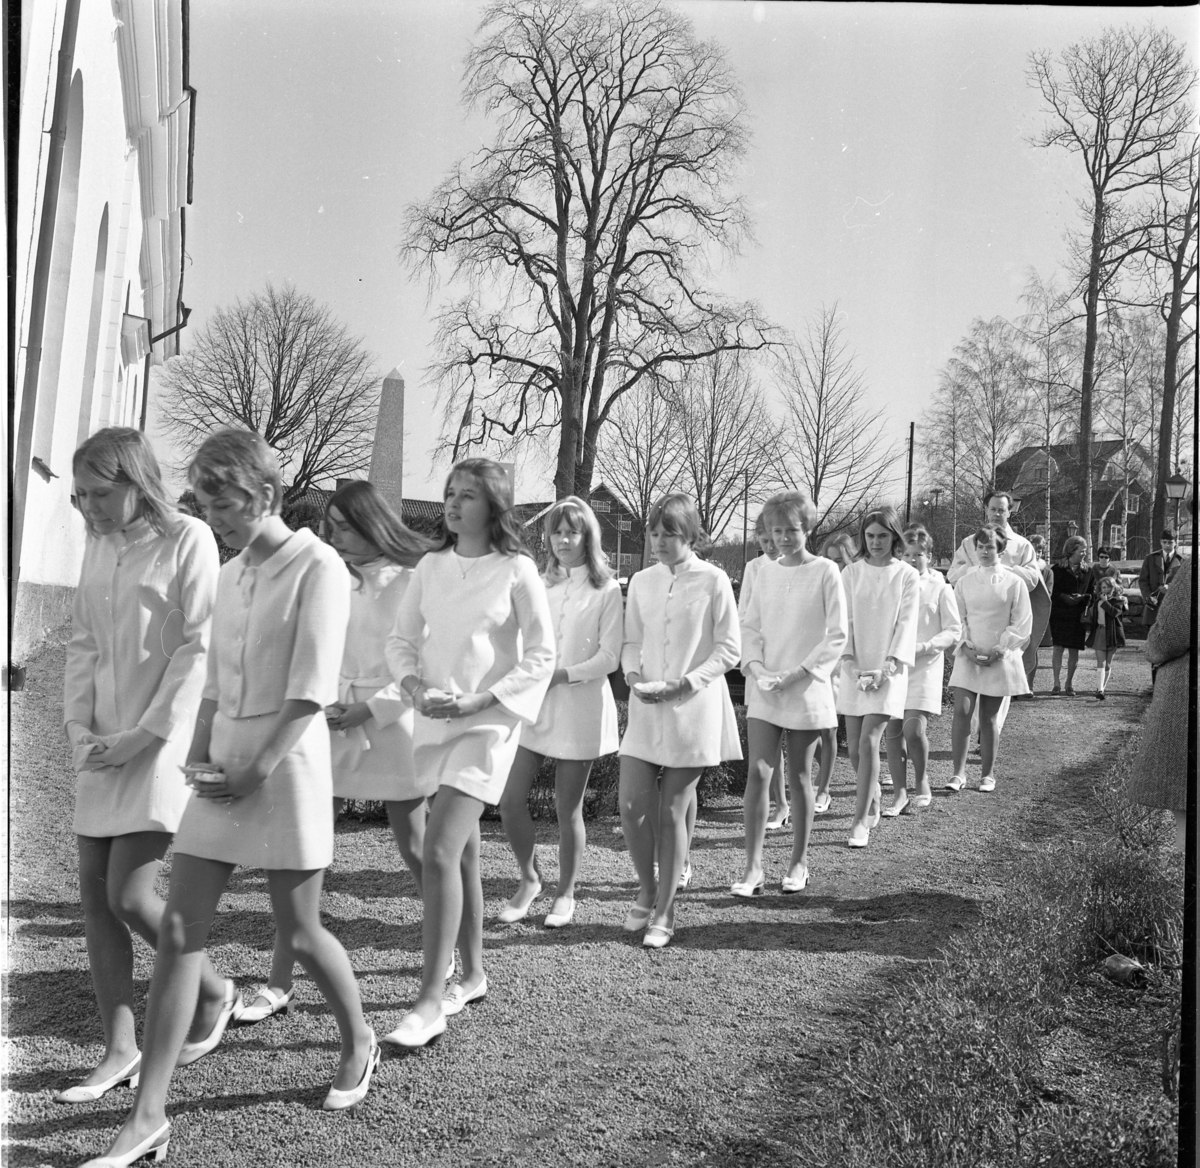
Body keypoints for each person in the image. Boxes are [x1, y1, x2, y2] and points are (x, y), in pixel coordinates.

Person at [83, 430, 377, 1168]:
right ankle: (148, 1116)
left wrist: (255, 769)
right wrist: (198, 753)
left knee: (300, 931)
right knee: (181, 930)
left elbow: (310, 689)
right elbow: (211, 681)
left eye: (230, 502)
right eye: (208, 503)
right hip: (222, 770)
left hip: (290, 764)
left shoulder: (320, 565)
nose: (218, 517)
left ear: (269, 494)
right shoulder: (234, 569)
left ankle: (359, 1038)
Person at [57, 428, 225, 1108]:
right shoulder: (98, 546)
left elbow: (199, 646)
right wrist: (77, 726)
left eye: (100, 494)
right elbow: (83, 643)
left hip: (161, 742)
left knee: (129, 893)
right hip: (101, 741)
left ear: (136, 482)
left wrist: (147, 733)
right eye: (79, 497)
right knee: (94, 895)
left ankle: (213, 989)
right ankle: (118, 1047)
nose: (90, 509)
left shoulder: (189, 539)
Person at [237, 480, 437, 1026]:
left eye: (344, 527)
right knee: (296, 852)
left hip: (389, 726)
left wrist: (371, 709)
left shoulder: (416, 580)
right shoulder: (329, 576)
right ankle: (278, 982)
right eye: (330, 527)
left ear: (373, 524)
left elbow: (422, 665)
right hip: (327, 722)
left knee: (418, 847)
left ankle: (441, 962)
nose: (333, 537)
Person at [381, 459, 554, 1048]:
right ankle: (474, 974)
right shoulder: (429, 567)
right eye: (450, 495)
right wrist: (411, 687)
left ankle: (430, 1000)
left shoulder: (518, 570)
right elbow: (401, 641)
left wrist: (482, 699)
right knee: (463, 859)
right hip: (433, 723)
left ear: (495, 508)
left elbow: (541, 656)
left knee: (439, 849)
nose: (453, 505)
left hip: (488, 726)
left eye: (469, 497)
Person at [618, 493, 741, 948]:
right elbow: (631, 642)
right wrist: (633, 675)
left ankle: (665, 911)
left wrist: (687, 683)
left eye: (669, 532)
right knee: (631, 806)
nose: (659, 540)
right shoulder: (641, 580)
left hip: (695, 709)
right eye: (654, 532)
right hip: (647, 708)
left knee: (672, 811)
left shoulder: (714, 580)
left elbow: (729, 649)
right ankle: (648, 889)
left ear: (691, 534)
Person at [498, 497, 622, 929]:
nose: (563, 539)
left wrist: (562, 675)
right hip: (536, 707)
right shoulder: (540, 584)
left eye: (572, 531)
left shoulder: (608, 589)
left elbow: (610, 657)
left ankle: (565, 892)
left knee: (566, 808)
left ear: (588, 536)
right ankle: (530, 879)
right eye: (556, 531)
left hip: (581, 708)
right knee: (510, 798)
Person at [737, 490, 846, 894]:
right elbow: (749, 625)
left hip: (806, 689)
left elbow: (837, 634)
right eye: (775, 530)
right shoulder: (762, 572)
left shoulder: (825, 571)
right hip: (765, 687)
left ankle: (798, 862)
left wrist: (799, 673)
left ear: (808, 529)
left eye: (792, 530)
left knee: (800, 775)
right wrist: (757, 668)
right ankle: (753, 868)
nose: (783, 538)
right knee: (759, 773)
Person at [835, 507, 920, 848]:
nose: (876, 542)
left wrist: (887, 668)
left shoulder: (906, 576)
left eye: (883, 536)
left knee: (870, 740)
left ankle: (858, 822)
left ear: (894, 537)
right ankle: (871, 801)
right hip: (855, 668)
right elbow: (846, 621)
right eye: (870, 536)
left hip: (890, 669)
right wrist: (852, 664)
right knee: (855, 750)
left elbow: (906, 623)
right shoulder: (851, 573)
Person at [946, 525, 1033, 794]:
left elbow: (1021, 622)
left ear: (1001, 550)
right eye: (980, 547)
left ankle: (987, 775)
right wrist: (966, 647)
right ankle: (958, 774)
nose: (984, 552)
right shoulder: (964, 582)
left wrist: (1000, 649)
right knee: (961, 711)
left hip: (999, 657)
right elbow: (957, 618)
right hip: (969, 655)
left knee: (989, 718)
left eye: (990, 547)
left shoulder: (1014, 582)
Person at [882, 526, 961, 815]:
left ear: (929, 555)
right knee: (892, 730)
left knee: (913, 729)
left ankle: (921, 778)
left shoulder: (940, 588)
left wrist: (926, 646)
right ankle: (900, 793)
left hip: (925, 665)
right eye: (907, 554)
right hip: (895, 665)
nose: (912, 559)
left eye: (919, 554)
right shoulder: (892, 583)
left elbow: (953, 629)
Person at [1127, 502, 1192, 851]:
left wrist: (1152, 650)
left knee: (1186, 807)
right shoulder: (1154, 559)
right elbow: (1144, 581)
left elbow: (1171, 634)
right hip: (1154, 605)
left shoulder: (1192, 565)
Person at [739, 512, 789, 830]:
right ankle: (780, 804)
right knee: (767, 744)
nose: (770, 545)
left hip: (791, 664)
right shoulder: (753, 569)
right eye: (763, 539)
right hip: (761, 666)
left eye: (775, 538)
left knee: (793, 740)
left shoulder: (802, 568)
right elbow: (745, 616)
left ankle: (800, 799)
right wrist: (754, 663)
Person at [812, 531, 857, 811]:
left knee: (828, 728)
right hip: (817, 658)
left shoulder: (855, 583)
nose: (835, 566)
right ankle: (823, 773)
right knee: (809, 729)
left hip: (844, 661)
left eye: (840, 560)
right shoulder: (819, 581)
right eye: (829, 560)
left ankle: (824, 788)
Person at [1048, 535, 1092, 696]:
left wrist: (1083, 597)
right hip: (1059, 615)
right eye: (1082, 550)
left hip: (1077, 616)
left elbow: (1093, 592)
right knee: (1058, 648)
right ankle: (1056, 683)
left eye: (1085, 550)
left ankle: (1069, 684)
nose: (1084, 554)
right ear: (1072, 550)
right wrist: (1063, 597)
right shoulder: (1056, 569)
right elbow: (1050, 592)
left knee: (1074, 650)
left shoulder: (1088, 571)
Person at [1084, 575, 1127, 700]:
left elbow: (1114, 613)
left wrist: (1106, 602)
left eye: (1108, 587)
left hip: (1113, 634)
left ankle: (1103, 686)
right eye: (1103, 587)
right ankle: (1100, 690)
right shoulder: (1097, 601)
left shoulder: (1119, 600)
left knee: (1108, 664)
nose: (1106, 589)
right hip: (1100, 632)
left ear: (1113, 588)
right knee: (1100, 662)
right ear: (1099, 588)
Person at [1138, 529, 1182, 630]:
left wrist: (1170, 587)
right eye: (1164, 542)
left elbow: (1185, 584)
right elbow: (1143, 581)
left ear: (1175, 542)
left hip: (1172, 606)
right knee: (1152, 640)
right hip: (1153, 606)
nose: (1167, 545)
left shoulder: (1182, 560)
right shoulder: (1150, 558)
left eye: (1170, 542)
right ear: (1160, 542)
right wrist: (1149, 597)